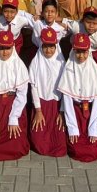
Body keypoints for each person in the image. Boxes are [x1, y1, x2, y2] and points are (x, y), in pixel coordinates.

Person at [0, 32, 31, 161]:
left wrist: (14, 117)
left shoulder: (19, 65)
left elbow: (22, 94)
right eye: (2, 48)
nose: (4, 52)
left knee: (17, 145)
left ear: (12, 47)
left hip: (13, 106)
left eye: (8, 48)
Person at [57, 34, 97, 162]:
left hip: (90, 114)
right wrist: (73, 128)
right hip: (75, 113)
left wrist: (93, 129)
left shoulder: (94, 70)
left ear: (88, 51)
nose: (81, 56)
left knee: (92, 150)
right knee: (76, 148)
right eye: (78, 52)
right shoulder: (69, 68)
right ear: (73, 50)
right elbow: (67, 101)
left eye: (84, 52)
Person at [28, 27, 67, 157]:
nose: (48, 50)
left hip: (57, 106)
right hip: (41, 105)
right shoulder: (35, 62)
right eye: (45, 46)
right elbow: (33, 87)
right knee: (39, 142)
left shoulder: (61, 63)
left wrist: (62, 111)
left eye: (52, 46)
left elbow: (65, 89)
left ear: (56, 46)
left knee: (59, 144)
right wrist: (38, 111)